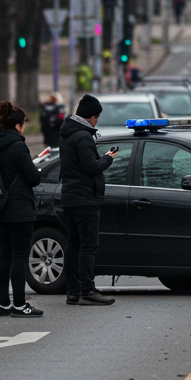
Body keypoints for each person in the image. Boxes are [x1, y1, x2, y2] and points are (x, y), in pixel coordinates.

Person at [0, 101, 45, 317]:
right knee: (20, 258)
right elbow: (33, 177)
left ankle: (4, 304)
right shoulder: (18, 146)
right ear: (18, 125)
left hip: (0, 207)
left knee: (5, 257)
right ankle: (20, 304)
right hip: (20, 208)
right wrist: (36, 167)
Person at [58, 95, 118, 306]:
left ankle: (73, 292)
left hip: (71, 196)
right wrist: (108, 158)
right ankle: (87, 290)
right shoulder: (82, 136)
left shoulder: (67, 133)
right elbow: (91, 166)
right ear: (90, 117)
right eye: (96, 118)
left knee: (73, 245)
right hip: (84, 198)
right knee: (88, 245)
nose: (97, 121)